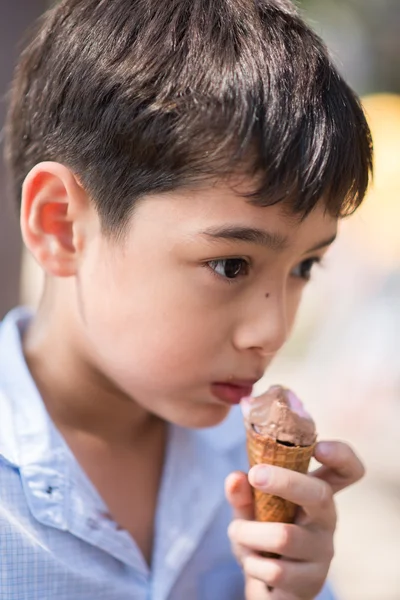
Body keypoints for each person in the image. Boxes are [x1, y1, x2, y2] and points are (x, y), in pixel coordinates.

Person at [0, 0, 372, 598]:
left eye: (306, 266)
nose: (272, 331)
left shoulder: (247, 474)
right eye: (231, 265)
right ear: (61, 225)